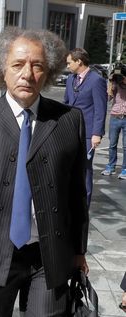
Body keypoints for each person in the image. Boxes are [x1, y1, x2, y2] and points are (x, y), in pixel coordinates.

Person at [0, 28, 89, 317]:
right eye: (18, 65)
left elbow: (78, 192)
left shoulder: (69, 120)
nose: (27, 73)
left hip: (49, 254)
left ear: (49, 71)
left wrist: (79, 251)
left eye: (37, 65)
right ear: (2, 68)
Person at [64, 48, 107, 206]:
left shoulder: (96, 81)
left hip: (88, 133)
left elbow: (100, 109)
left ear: (79, 61)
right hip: (71, 130)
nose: (67, 65)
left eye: (69, 63)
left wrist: (97, 133)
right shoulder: (70, 79)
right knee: (70, 167)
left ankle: (84, 206)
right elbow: (66, 103)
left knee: (85, 169)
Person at [101, 67, 126, 179]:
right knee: (112, 144)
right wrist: (111, 82)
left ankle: (125, 169)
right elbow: (108, 97)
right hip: (115, 116)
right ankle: (110, 166)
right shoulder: (115, 83)